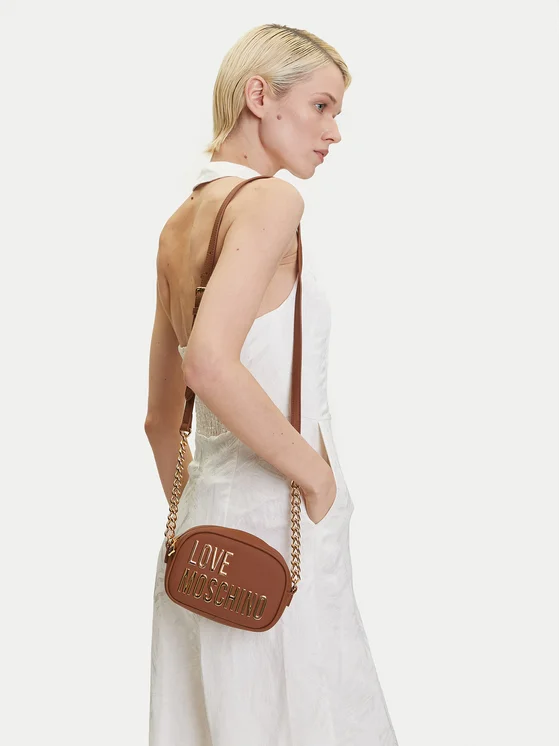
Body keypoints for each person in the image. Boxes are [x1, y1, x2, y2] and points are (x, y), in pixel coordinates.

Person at [145, 23, 399, 746]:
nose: (335, 131)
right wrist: (317, 478)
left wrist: (199, 512)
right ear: (260, 97)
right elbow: (210, 364)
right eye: (321, 106)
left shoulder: (179, 223)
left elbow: (161, 420)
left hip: (202, 544)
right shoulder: (272, 203)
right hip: (277, 527)